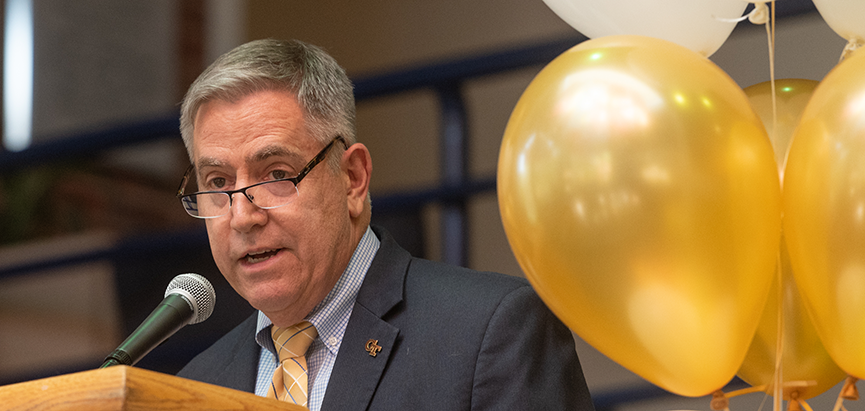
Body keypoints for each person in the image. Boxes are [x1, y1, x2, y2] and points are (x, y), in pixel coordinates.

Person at [173, 39, 594, 410]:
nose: (243, 215)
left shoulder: (491, 332)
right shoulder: (193, 385)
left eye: (277, 175)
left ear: (353, 179)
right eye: (218, 183)